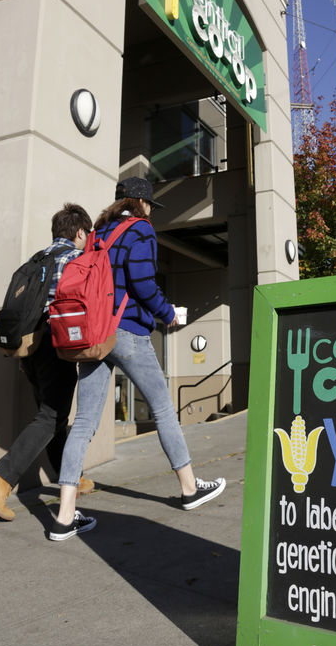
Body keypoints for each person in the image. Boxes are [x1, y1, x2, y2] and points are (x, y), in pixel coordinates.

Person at [49, 177, 225, 541]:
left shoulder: (98, 232)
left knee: (82, 422)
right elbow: (143, 283)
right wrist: (168, 314)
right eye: (150, 207)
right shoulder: (140, 229)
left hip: (96, 335)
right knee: (162, 409)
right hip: (127, 333)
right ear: (142, 204)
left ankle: (64, 516)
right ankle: (190, 489)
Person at [0, 203, 95, 521]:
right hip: (56, 345)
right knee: (51, 417)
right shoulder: (76, 258)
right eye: (87, 234)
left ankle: (72, 476)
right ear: (80, 232)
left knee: (53, 418)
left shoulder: (36, 259)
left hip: (28, 351)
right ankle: (0, 478)